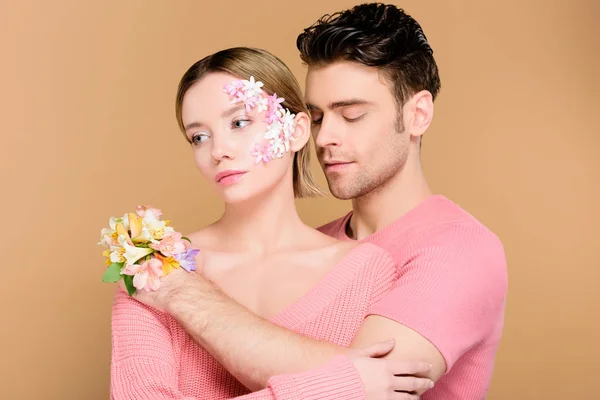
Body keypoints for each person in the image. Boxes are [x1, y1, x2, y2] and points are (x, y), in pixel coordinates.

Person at [117, 3, 508, 400]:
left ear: (418, 114)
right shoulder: (331, 246)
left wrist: (184, 293)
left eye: (352, 114)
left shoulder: (457, 249)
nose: (324, 139)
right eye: (318, 117)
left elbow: (375, 388)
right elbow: (347, 384)